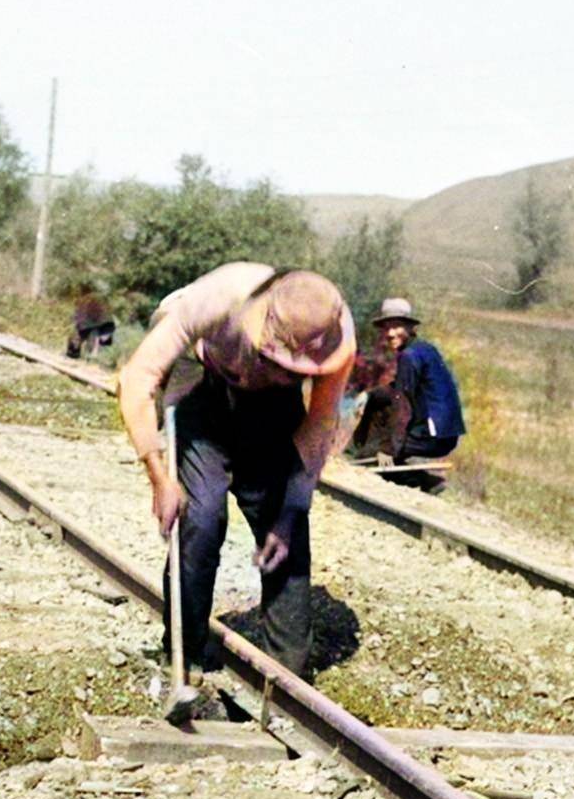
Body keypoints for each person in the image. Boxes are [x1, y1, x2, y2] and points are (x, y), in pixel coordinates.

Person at [117, 264, 355, 681]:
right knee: (202, 517)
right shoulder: (216, 299)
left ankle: (285, 675)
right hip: (203, 384)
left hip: (271, 409)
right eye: (280, 361)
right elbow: (138, 377)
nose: (289, 372)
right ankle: (185, 654)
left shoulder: (336, 339)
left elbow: (318, 430)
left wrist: (289, 511)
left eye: (298, 371)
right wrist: (159, 477)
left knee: (286, 532)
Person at [373, 298, 465, 493]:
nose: (390, 333)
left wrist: (388, 447)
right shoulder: (425, 349)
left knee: (375, 454)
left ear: (410, 327)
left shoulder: (409, 356)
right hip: (447, 433)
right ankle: (409, 479)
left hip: (434, 436)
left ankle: (425, 482)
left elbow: (402, 405)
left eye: (397, 326)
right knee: (379, 402)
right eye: (386, 328)